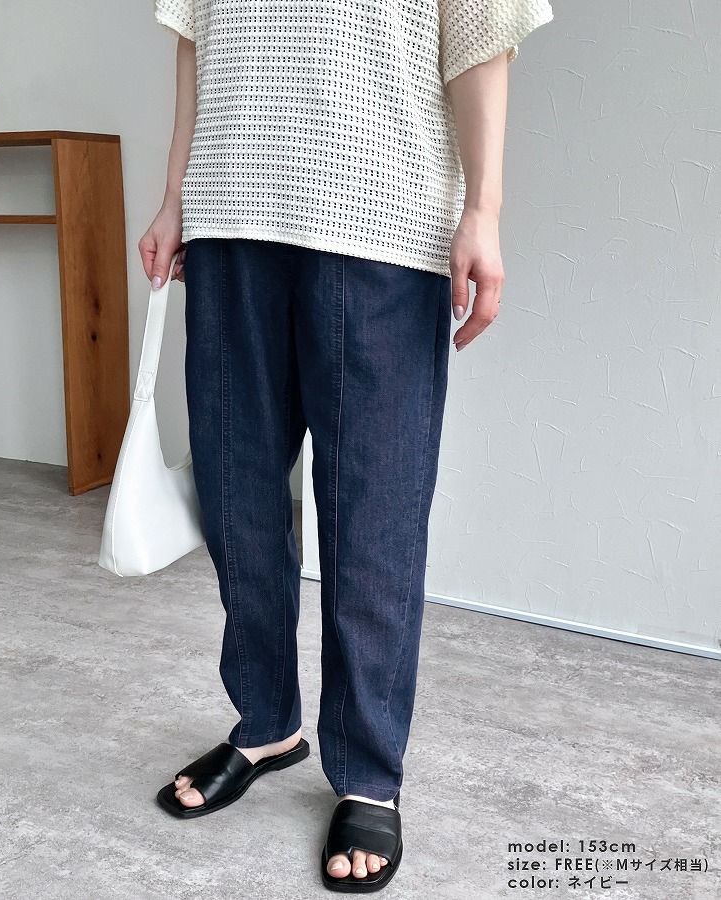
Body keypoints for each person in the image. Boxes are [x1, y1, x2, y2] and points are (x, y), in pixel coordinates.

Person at [139, 0, 553, 891]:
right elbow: (197, 52)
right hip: (229, 215)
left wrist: (483, 210)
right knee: (237, 498)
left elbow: (482, 35)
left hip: (381, 218)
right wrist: (174, 198)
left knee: (375, 518)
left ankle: (367, 771)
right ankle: (266, 723)